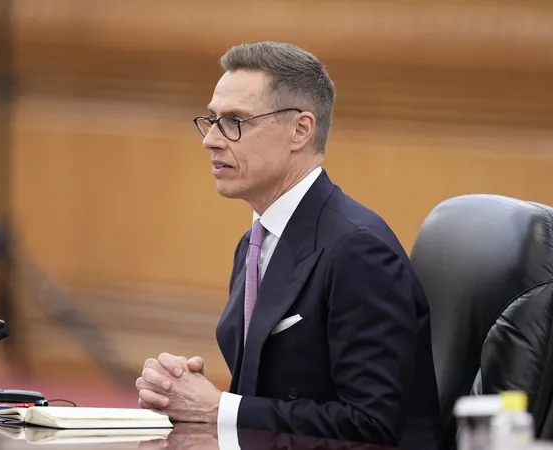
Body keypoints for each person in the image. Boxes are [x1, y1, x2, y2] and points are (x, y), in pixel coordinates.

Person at [136, 41, 442, 448]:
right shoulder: (255, 242)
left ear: (300, 130)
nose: (210, 140)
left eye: (234, 121)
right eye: (211, 120)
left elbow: (373, 425)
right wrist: (186, 393)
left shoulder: (359, 250)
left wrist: (220, 408)